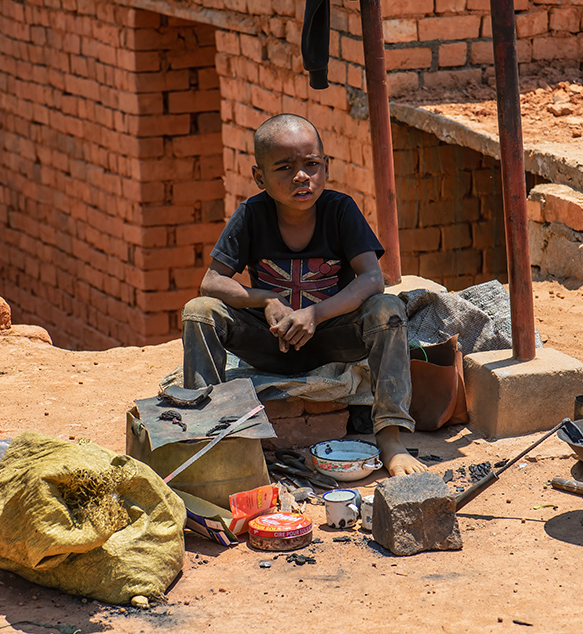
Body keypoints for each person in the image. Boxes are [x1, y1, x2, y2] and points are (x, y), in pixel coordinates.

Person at [181, 113, 426, 477]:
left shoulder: (340, 210)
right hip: (270, 343)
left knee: (387, 308)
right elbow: (212, 282)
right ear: (259, 177)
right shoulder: (251, 214)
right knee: (200, 311)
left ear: (325, 167)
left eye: (311, 164)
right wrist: (265, 299)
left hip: (330, 339)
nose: (301, 176)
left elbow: (372, 279)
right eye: (285, 167)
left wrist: (316, 314)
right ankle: (208, 434)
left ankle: (391, 437)